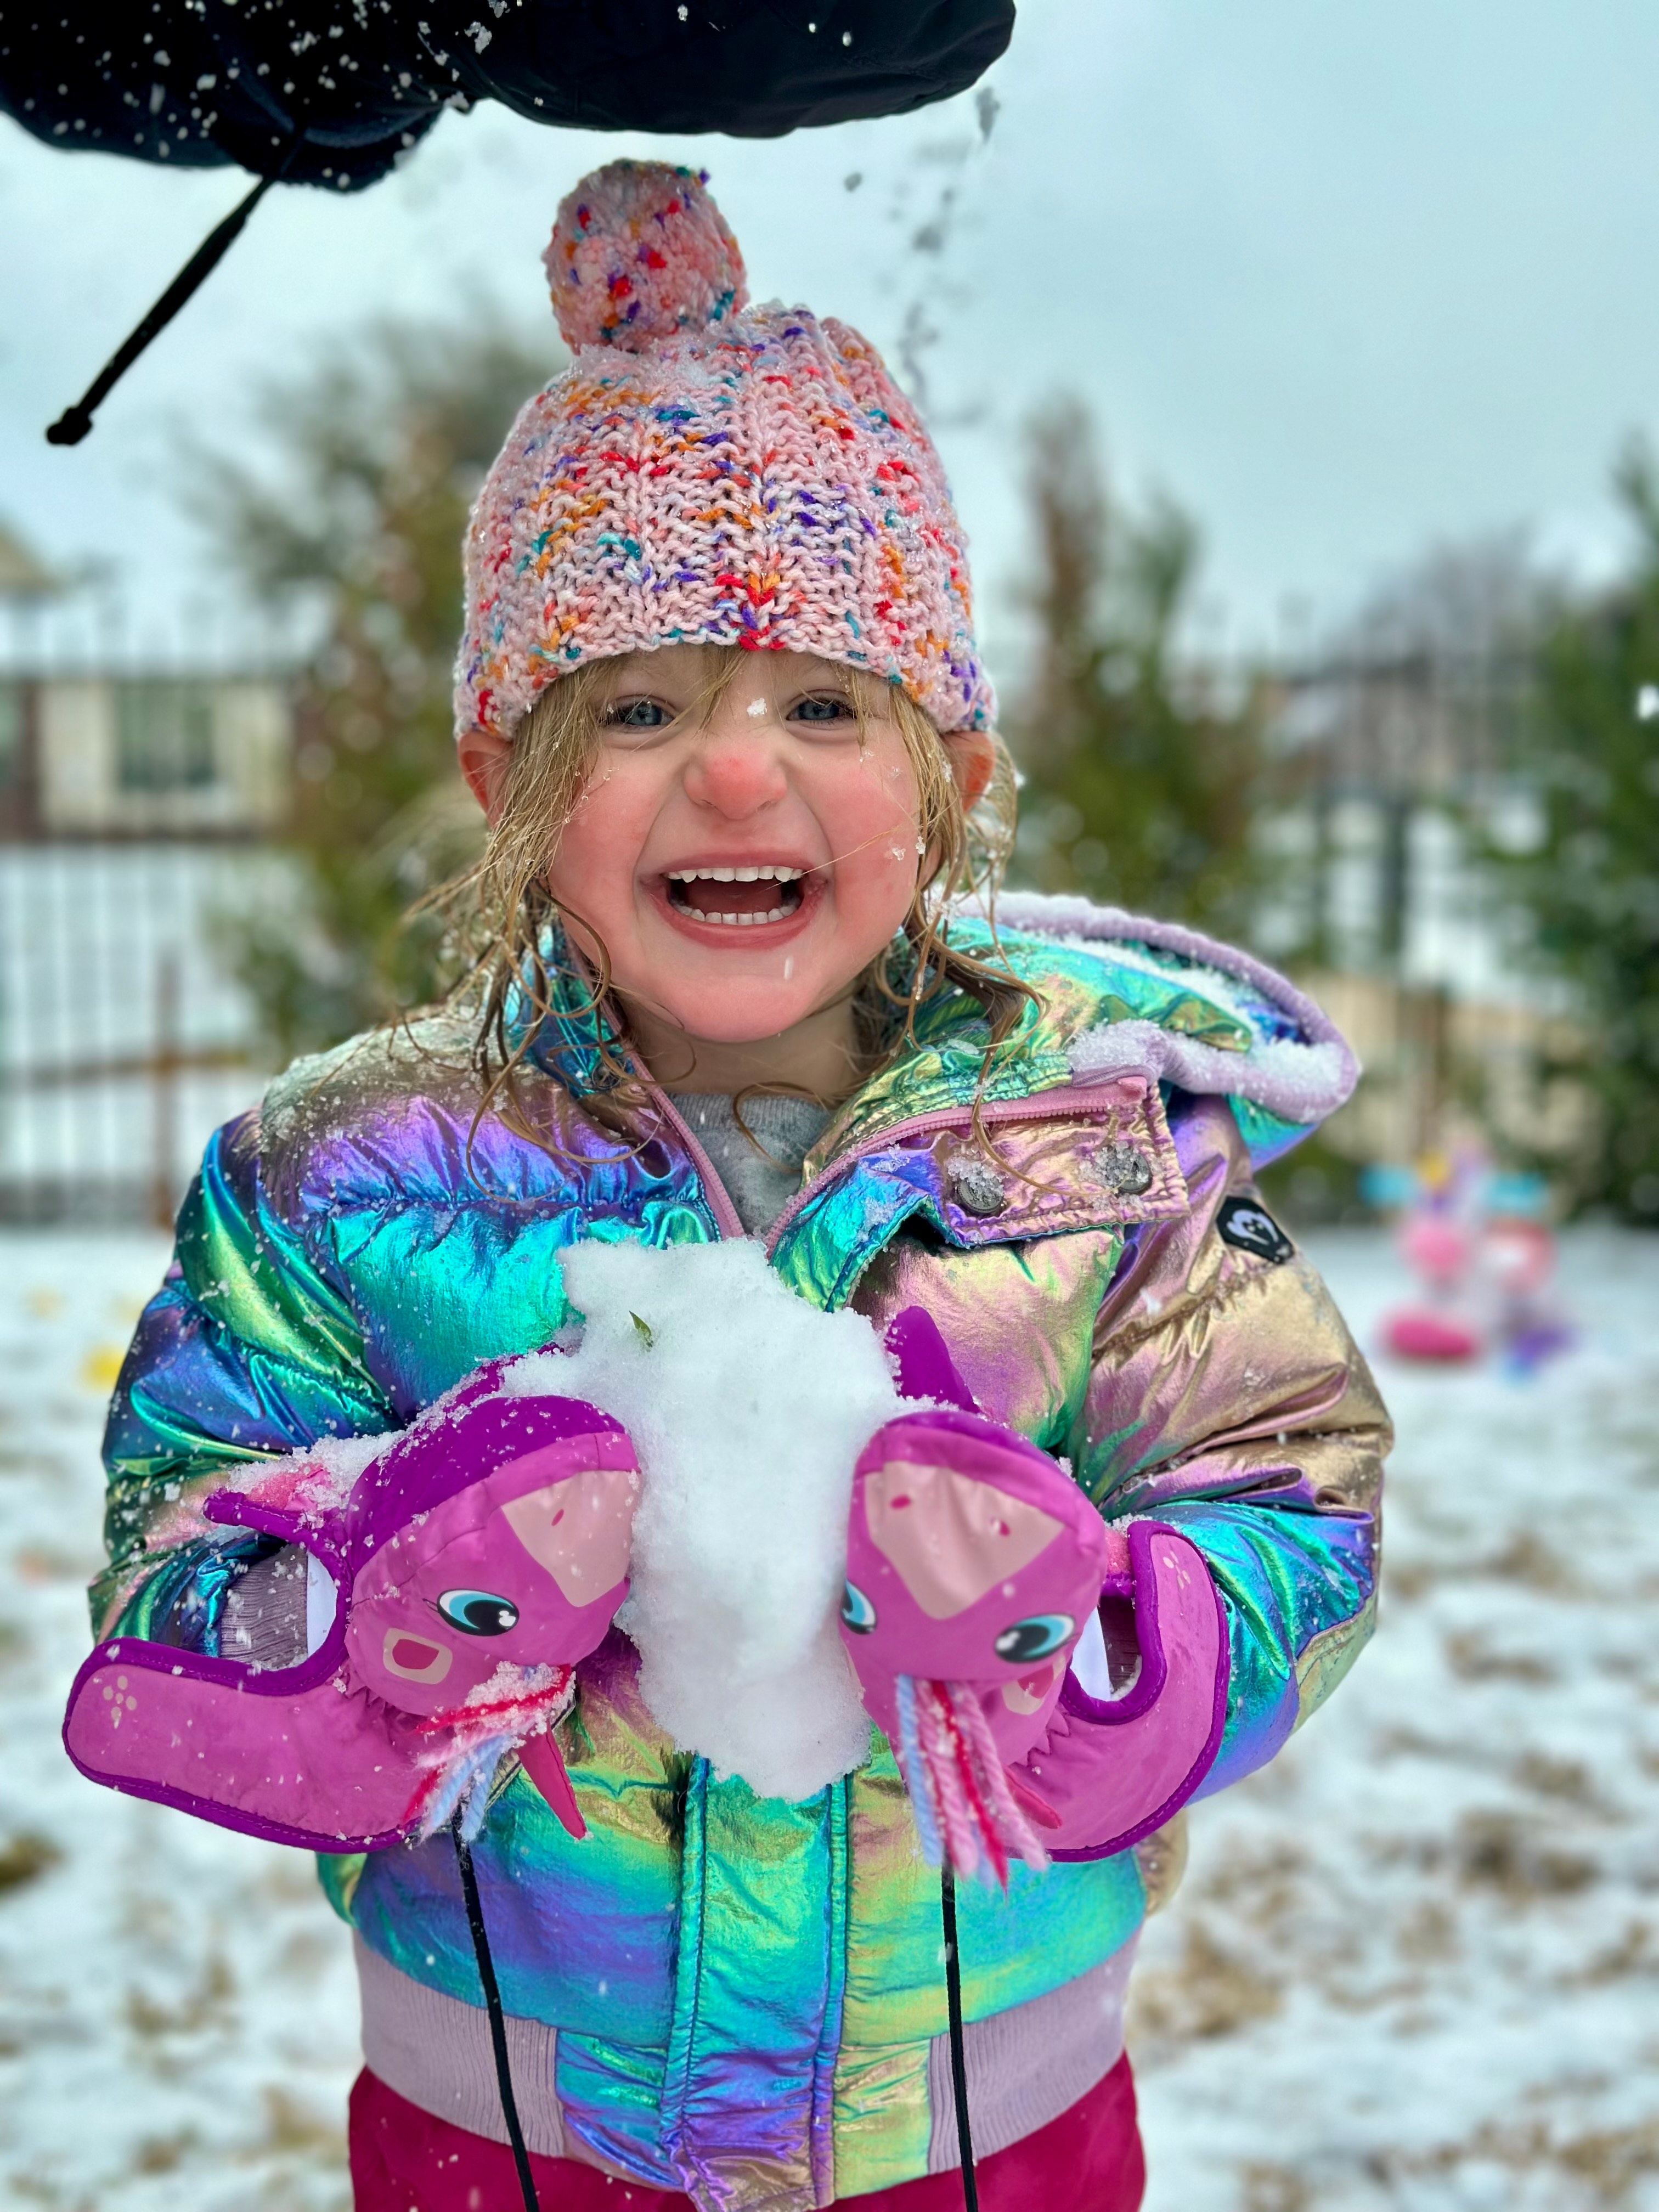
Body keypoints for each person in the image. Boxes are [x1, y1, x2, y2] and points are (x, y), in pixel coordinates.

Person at [71, 162, 1389, 2212]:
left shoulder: (1103, 1150)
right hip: (513, 2131)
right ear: (519, 784)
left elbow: (1291, 1491)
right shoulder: (342, 1183)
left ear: (943, 772)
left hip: (983, 2121)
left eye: (823, 702)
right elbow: (175, 1575)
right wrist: (385, 1610)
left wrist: (1083, 1653)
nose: (741, 772)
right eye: (642, 704)